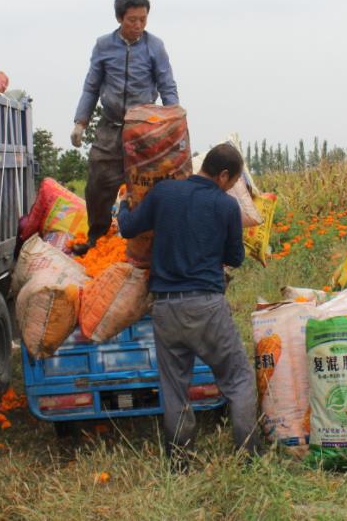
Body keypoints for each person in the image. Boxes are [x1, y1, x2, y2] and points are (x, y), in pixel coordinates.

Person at [115, 143, 259, 467]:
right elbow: (235, 258)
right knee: (237, 379)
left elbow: (127, 227)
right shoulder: (225, 206)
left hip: (165, 309)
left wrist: (123, 204)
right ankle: (249, 455)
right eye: (233, 180)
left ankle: (180, 461)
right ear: (223, 175)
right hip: (206, 306)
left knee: (174, 387)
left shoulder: (164, 193)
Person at [71, 0, 178, 255]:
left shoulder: (155, 46)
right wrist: (80, 122)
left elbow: (167, 84)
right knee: (98, 180)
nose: (138, 25)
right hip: (111, 125)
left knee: (145, 182)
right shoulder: (104, 46)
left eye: (143, 19)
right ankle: (97, 236)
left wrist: (173, 121)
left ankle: (144, 239)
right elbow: (91, 86)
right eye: (132, 20)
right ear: (120, 18)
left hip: (145, 128)